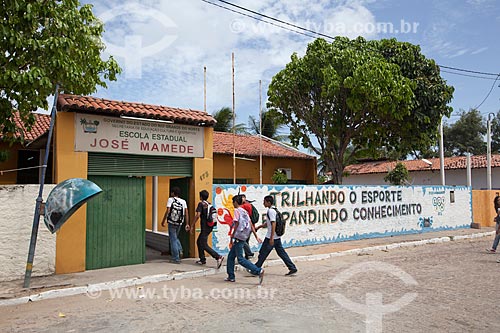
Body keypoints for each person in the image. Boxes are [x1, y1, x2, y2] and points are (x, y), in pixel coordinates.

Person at [254, 195, 298, 276]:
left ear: (268, 202)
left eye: (264, 201)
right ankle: (292, 267)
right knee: (281, 253)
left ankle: (256, 269)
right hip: (276, 237)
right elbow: (268, 223)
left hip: (271, 237)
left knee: (263, 253)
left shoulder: (270, 211)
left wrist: (271, 238)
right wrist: (259, 227)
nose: (263, 203)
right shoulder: (274, 210)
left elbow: (273, 223)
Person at [225, 195, 264, 284]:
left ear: (235, 202)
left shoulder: (237, 211)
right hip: (243, 236)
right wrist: (256, 236)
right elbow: (250, 224)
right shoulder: (244, 212)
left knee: (240, 259)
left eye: (233, 202)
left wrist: (233, 235)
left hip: (238, 237)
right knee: (231, 257)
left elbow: (237, 223)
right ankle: (231, 276)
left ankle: (258, 271)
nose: (232, 203)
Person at [186, 190, 224, 269]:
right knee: (199, 241)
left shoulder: (201, 204)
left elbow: (198, 215)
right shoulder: (209, 204)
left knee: (203, 244)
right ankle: (202, 259)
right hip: (209, 226)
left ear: (201, 197)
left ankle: (218, 257)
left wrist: (192, 225)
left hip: (205, 227)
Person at [161, 186, 188, 264]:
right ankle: (180, 249)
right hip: (180, 222)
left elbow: (168, 210)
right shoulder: (183, 201)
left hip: (172, 222)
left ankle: (176, 258)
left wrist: (163, 220)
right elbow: (186, 213)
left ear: (173, 193)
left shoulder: (170, 199)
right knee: (175, 237)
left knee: (173, 239)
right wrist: (187, 223)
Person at [240, 194, 259, 259]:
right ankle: (247, 255)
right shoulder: (249, 204)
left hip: (247, 227)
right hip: (250, 227)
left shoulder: (245, 206)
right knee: (246, 241)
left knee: (243, 241)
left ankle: (249, 253)